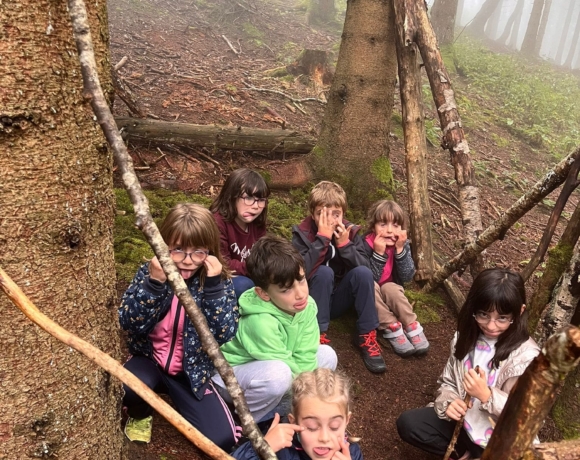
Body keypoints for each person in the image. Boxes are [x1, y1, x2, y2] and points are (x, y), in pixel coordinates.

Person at [119, 203, 240, 450]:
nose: (187, 261)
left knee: (221, 441)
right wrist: (154, 285)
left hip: (191, 372)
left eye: (197, 252)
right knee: (124, 387)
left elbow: (225, 333)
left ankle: (189, 405)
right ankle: (140, 412)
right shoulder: (149, 272)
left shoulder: (218, 282)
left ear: (210, 250)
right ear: (163, 246)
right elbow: (129, 322)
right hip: (149, 361)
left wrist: (214, 289)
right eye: (177, 250)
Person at [396, 268, 540, 459]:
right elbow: (447, 382)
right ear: (473, 308)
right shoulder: (463, 339)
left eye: (502, 318)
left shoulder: (527, 356)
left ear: (519, 311)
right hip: (463, 427)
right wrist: (449, 402)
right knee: (409, 423)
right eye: (483, 315)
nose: (491, 325)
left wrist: (487, 396)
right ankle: (463, 453)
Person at [212, 235, 338, 423]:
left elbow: (306, 353)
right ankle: (250, 422)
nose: (300, 294)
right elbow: (284, 363)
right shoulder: (260, 322)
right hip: (232, 376)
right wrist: (311, 393)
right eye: (286, 289)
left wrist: (308, 394)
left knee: (327, 355)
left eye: (301, 281)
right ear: (263, 294)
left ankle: (283, 411)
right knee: (279, 374)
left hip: (281, 368)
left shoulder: (307, 306)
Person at [292, 181, 386, 374]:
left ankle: (366, 334)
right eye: (322, 214)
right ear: (312, 213)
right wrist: (322, 240)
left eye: (336, 214)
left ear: (343, 214)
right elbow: (299, 272)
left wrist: (345, 246)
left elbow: (368, 272)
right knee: (324, 272)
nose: (330, 220)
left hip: (339, 299)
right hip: (311, 301)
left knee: (362, 272)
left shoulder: (350, 232)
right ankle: (317, 335)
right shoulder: (302, 233)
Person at [233, 368, 363, 460]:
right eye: (311, 427)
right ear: (293, 422)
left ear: (347, 421)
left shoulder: (352, 454)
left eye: (334, 426)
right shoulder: (280, 450)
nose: (324, 438)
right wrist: (260, 450)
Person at [363, 200, 429, 357]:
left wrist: (400, 249)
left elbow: (407, 276)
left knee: (390, 288)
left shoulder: (401, 244)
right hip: (370, 291)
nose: (389, 231)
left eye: (396, 226)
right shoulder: (365, 244)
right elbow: (369, 277)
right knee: (371, 287)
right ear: (373, 227)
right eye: (383, 224)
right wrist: (379, 253)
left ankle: (411, 325)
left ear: (402, 229)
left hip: (390, 289)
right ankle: (391, 326)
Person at [210, 168, 270, 299]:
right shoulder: (218, 223)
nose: (255, 206)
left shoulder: (257, 223)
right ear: (231, 197)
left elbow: (263, 255)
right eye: (248, 198)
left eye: (261, 200)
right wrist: (257, 268)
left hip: (252, 275)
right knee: (243, 285)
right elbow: (223, 263)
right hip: (223, 282)